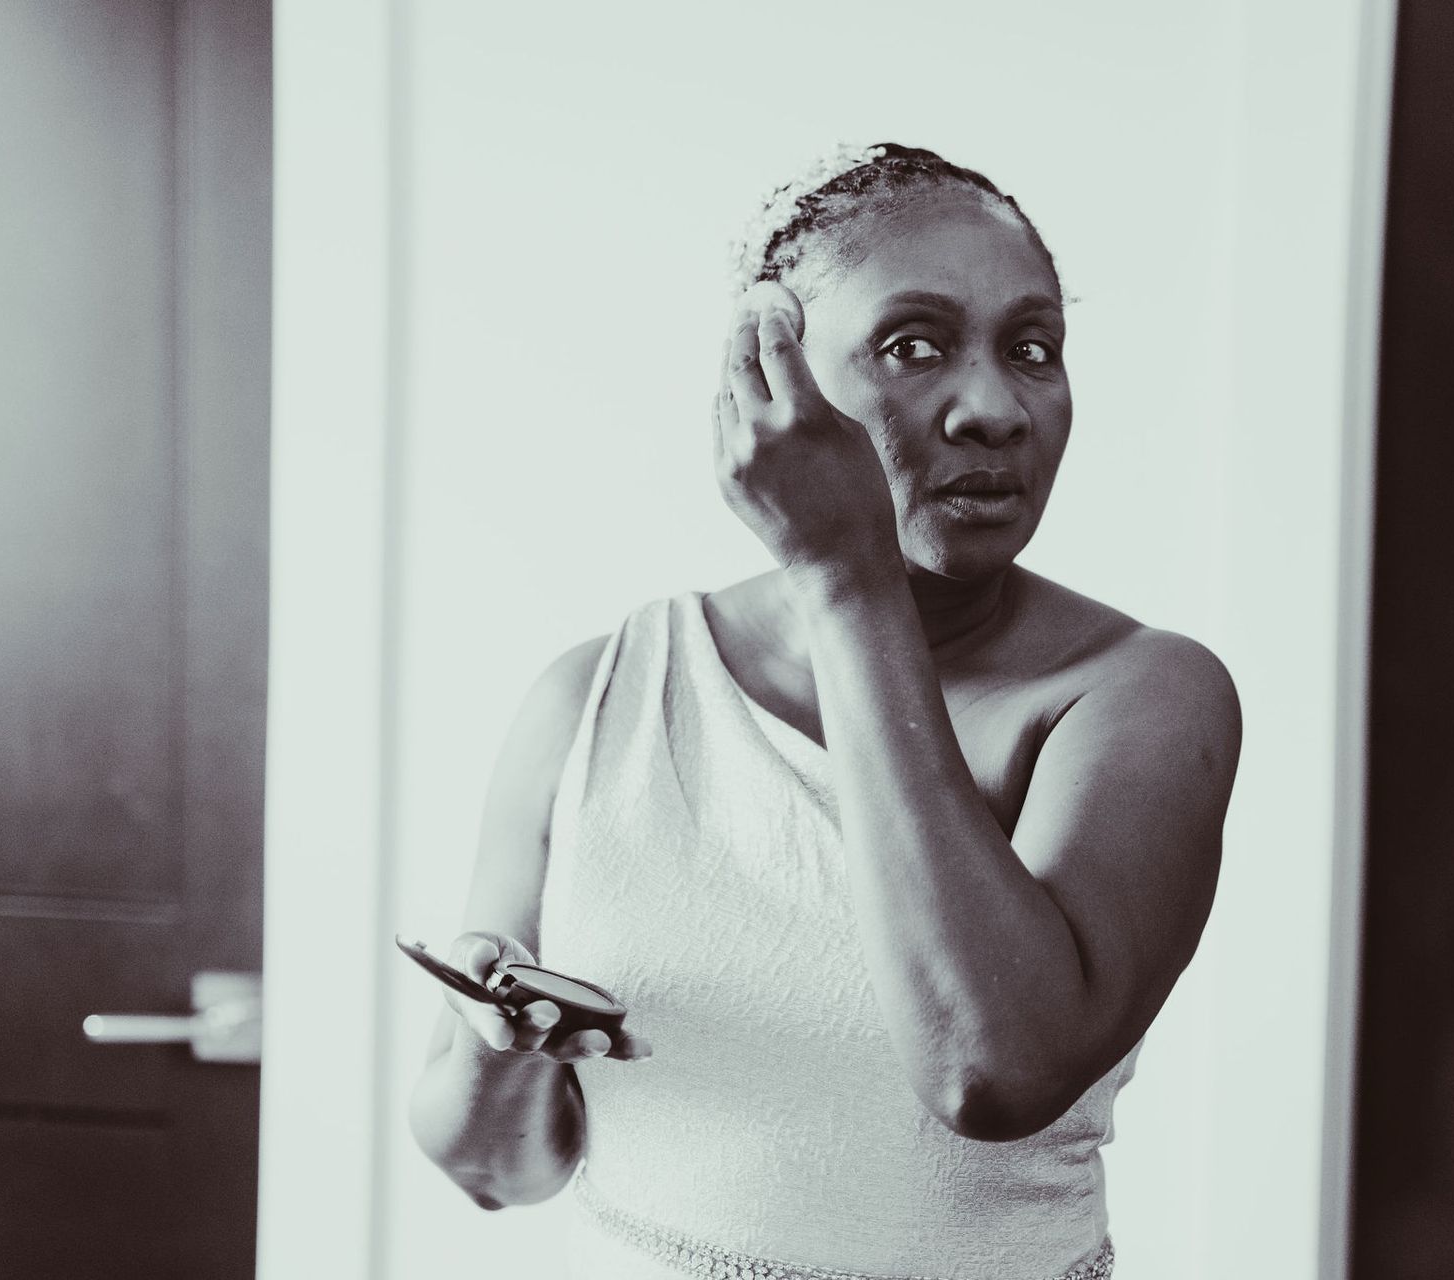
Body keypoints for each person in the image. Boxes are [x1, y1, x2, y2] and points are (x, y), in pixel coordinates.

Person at [407, 142, 1243, 1279]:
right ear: (772, 377)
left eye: (1033, 348)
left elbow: (989, 1069)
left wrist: (844, 576)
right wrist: (498, 1040)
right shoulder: (599, 698)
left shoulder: (1139, 694)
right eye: (915, 344)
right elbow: (494, 1172)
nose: (995, 406)